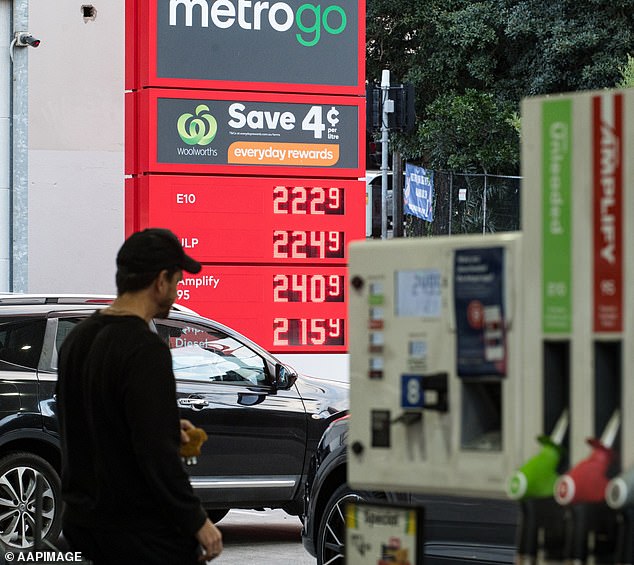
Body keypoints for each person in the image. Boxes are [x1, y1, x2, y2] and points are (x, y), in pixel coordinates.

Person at [56, 228, 223, 564]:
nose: (177, 292)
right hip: (138, 537)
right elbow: (156, 455)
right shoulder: (146, 351)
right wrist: (197, 521)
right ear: (160, 281)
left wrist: (164, 426)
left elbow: (83, 424)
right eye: (177, 281)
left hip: (81, 526)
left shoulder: (77, 339)